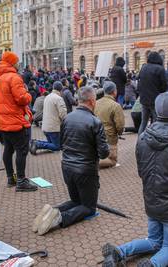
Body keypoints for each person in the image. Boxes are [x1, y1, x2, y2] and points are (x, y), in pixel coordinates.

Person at [101, 92, 168, 267]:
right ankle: (152, 264)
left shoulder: (142, 139)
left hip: (151, 199)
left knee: (154, 240)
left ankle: (120, 251)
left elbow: (142, 172)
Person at [32, 86, 109, 236]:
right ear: (93, 101)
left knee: (75, 201)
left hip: (67, 166)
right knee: (88, 207)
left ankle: (52, 210)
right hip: (85, 170)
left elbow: (61, 143)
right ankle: (60, 217)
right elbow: (104, 152)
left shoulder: (67, 118)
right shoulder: (95, 122)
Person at [0, 51, 37, 191]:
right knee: (21, 150)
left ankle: (10, 178)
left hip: (3, 122)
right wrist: (28, 94)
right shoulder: (14, 77)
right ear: (12, 63)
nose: (19, 64)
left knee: (8, 149)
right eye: (17, 61)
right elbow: (21, 98)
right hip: (15, 121)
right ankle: (21, 181)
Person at [30, 81, 67, 155]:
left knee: (51, 143)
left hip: (46, 127)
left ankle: (35, 142)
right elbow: (63, 115)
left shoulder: (47, 97)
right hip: (53, 128)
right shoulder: (59, 99)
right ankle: (37, 144)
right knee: (57, 147)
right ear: (61, 89)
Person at [94, 81, 125, 168]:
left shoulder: (95, 103)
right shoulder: (116, 106)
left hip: (96, 136)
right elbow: (120, 125)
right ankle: (93, 163)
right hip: (110, 137)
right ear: (114, 91)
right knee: (113, 161)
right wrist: (119, 133)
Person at [137, 51, 167, 134]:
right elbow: (164, 85)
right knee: (156, 121)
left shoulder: (143, 67)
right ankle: (154, 141)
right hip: (155, 100)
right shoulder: (160, 69)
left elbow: (139, 82)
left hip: (143, 99)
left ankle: (140, 141)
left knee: (143, 122)